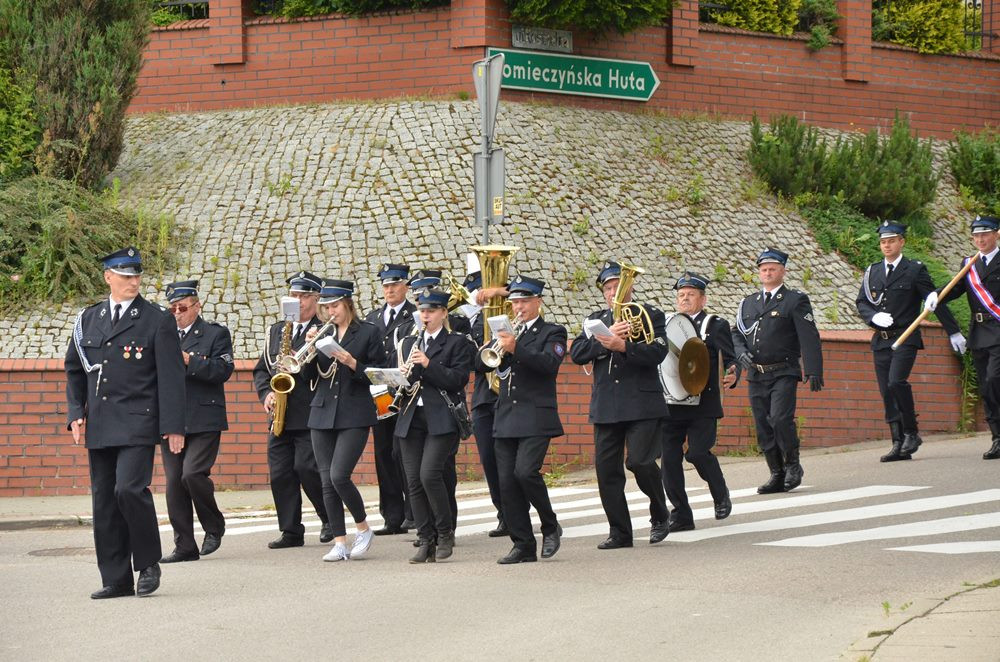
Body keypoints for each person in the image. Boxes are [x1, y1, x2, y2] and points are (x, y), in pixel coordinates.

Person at [65, 247, 185, 599]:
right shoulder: (89, 319)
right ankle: (116, 579)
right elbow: (75, 368)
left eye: (136, 275)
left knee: (128, 490)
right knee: (105, 500)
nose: (133, 281)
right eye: (125, 275)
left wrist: (174, 425)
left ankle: (148, 564)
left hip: (137, 421)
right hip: (101, 424)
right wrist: (76, 412)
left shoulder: (155, 319)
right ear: (108, 277)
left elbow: (171, 376)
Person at [570, 261, 670, 549]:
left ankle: (660, 512)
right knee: (606, 471)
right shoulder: (595, 320)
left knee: (639, 461)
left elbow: (659, 352)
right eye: (609, 288)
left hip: (642, 403)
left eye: (618, 286)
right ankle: (620, 532)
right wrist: (605, 340)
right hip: (607, 405)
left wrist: (625, 346)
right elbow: (577, 353)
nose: (614, 292)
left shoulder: (649, 314)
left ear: (630, 287)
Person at [856, 222, 964, 462]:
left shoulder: (914, 270)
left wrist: (953, 331)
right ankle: (897, 442)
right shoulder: (872, 271)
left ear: (902, 242)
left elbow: (934, 302)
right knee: (886, 391)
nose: (887, 245)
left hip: (906, 336)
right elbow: (861, 301)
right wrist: (872, 316)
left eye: (892, 241)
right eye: (883, 241)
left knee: (896, 382)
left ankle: (911, 433)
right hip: (881, 340)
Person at [484, 275, 566, 564]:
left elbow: (549, 365)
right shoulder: (507, 334)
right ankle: (522, 544)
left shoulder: (553, 332)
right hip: (506, 416)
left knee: (525, 473)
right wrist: (501, 352)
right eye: (515, 302)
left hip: (536, 416)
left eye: (524, 301)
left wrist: (516, 348)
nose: (518, 307)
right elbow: (497, 369)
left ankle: (550, 524)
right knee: (506, 483)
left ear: (538, 302)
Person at [392, 289, 475, 562]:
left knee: (430, 475)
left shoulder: (457, 343)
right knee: (414, 481)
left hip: (441, 418)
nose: (424, 315)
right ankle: (425, 539)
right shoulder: (407, 343)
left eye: (430, 311)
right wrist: (394, 379)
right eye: (422, 311)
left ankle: (445, 532)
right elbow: (405, 382)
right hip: (411, 418)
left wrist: (427, 364)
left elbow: (457, 380)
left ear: (443, 313)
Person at [732, 248, 823, 494]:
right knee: (763, 425)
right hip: (757, 373)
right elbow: (736, 333)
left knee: (780, 419)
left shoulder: (795, 300)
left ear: (782, 271)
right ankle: (776, 472)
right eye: (764, 269)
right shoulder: (748, 302)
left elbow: (809, 336)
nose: (768, 272)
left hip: (784, 370)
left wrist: (814, 369)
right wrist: (740, 352)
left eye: (773, 268)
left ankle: (793, 464)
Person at [253, 271, 333, 549]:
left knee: (307, 468)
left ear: (316, 299)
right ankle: (290, 530)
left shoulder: (323, 329)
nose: (297, 301)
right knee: (280, 473)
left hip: (308, 409)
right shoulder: (276, 330)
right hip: (280, 413)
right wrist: (266, 394)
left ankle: (329, 519)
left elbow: (325, 370)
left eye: (303, 296)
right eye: (294, 295)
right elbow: (262, 370)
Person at [307, 279, 384, 561]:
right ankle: (340, 542)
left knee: (339, 475)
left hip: (354, 411)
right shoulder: (322, 334)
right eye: (326, 307)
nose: (330, 312)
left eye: (335, 306)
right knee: (326, 480)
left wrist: (353, 363)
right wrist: (310, 353)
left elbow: (378, 374)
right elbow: (308, 379)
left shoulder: (368, 333)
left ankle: (363, 528)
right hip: (322, 410)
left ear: (348, 303)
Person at [159, 280, 235, 563]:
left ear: (196, 306)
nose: (177, 314)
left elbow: (223, 370)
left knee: (191, 474)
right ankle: (184, 546)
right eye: (172, 309)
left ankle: (214, 525)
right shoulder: (162, 334)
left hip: (204, 416)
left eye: (182, 308)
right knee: (173, 483)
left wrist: (189, 360)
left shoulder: (215, 334)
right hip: (171, 418)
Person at [660, 272, 738, 532]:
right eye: (681, 295)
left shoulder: (715, 325)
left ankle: (720, 492)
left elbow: (730, 358)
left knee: (697, 453)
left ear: (702, 299)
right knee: (669, 460)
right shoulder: (667, 324)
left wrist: (733, 372)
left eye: (690, 295)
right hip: (672, 403)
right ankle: (681, 514)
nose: (684, 299)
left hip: (703, 403)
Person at [925, 215, 999, 460]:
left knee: (994, 379)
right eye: (976, 236)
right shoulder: (969, 264)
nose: (980, 239)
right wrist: (936, 295)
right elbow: (954, 289)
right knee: (986, 387)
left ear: (996, 234)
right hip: (978, 334)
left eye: (985, 234)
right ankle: (997, 438)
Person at [363, 263, 417, 535]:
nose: (389, 289)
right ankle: (392, 516)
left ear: (405, 285)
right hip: (379, 393)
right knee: (384, 454)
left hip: (405, 392)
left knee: (403, 452)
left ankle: (413, 513)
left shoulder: (415, 315)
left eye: (394, 284)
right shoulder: (372, 317)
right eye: (385, 285)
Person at [466, 270, 510, 537]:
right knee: (490, 461)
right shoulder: (467, 321)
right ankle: (503, 513)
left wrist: (502, 294)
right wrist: (476, 298)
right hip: (484, 397)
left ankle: (536, 512)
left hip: (509, 396)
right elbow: (447, 304)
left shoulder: (508, 317)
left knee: (514, 464)